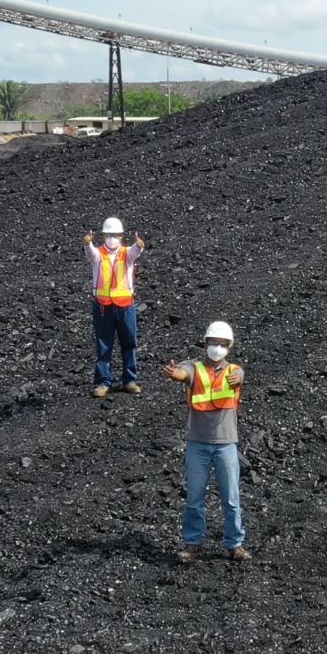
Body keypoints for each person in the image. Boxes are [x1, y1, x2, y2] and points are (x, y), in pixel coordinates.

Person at [162, 322, 250, 563]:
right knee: (194, 498)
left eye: (222, 344)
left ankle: (235, 544)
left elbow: (239, 376)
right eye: (213, 343)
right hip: (197, 444)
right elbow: (183, 373)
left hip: (226, 444)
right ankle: (193, 544)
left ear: (229, 346)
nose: (217, 348)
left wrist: (238, 378)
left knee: (231, 499)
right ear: (205, 344)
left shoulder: (234, 370)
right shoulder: (195, 368)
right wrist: (174, 373)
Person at [85, 217, 145, 398]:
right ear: (103, 236)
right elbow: (90, 253)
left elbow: (135, 252)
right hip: (103, 307)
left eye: (115, 235)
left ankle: (130, 380)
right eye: (109, 235)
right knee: (103, 345)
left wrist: (139, 245)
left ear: (121, 236)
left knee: (129, 343)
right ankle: (104, 382)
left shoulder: (127, 253)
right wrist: (87, 244)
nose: (112, 238)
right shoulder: (98, 254)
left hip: (125, 306)